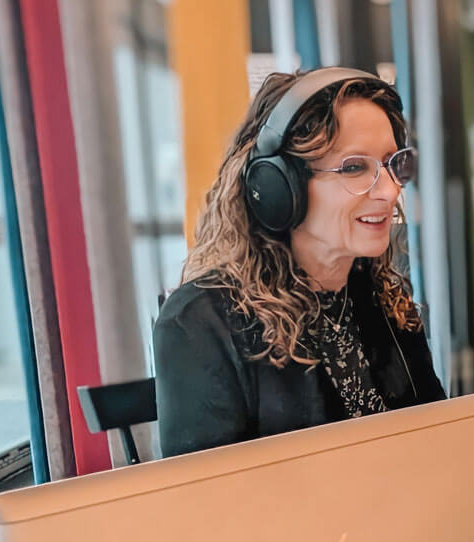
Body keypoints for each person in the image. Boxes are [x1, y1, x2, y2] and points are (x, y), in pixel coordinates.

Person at [154, 68, 445, 457]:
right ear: (277, 185)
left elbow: (441, 443)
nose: (390, 191)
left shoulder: (380, 299)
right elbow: (209, 509)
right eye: (354, 167)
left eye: (392, 164)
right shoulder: (199, 322)